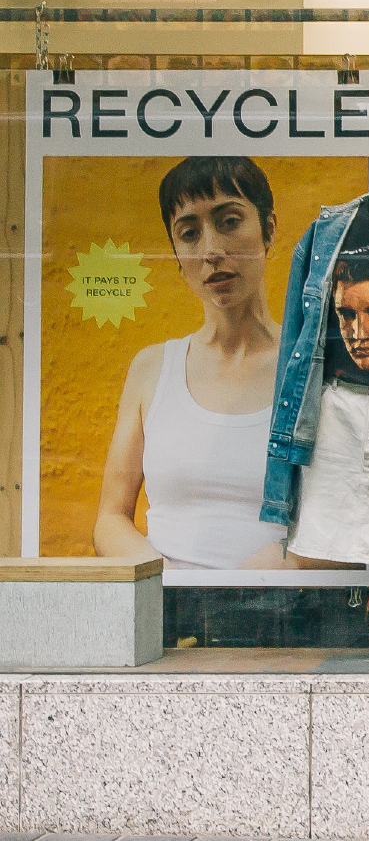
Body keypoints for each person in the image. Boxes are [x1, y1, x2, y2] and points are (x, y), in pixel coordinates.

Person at [94, 157, 285, 571]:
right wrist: (167, 584)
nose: (211, 251)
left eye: (230, 221)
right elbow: (111, 518)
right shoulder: (151, 369)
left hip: (283, 612)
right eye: (189, 233)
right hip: (165, 616)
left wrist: (271, 573)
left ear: (269, 229)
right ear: (177, 258)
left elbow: (346, 520)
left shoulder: (310, 369)